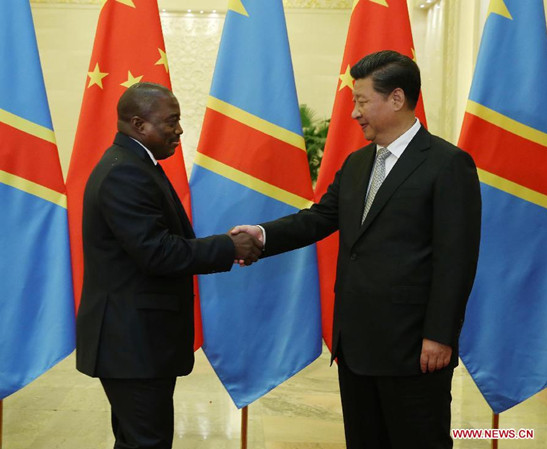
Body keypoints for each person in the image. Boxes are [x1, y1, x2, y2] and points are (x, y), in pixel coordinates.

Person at [232, 50, 481, 449]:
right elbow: (318, 219)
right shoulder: (357, 163)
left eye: (361, 101)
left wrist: (439, 335)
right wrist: (261, 235)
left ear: (396, 98)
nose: (353, 113)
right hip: (357, 347)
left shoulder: (447, 165)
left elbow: (457, 259)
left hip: (413, 348)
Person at [76, 82, 262, 449]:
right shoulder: (124, 172)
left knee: (136, 440)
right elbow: (157, 253)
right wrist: (228, 247)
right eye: (171, 122)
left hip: (136, 342)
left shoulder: (136, 164)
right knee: (148, 442)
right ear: (138, 124)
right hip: (131, 343)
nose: (179, 129)